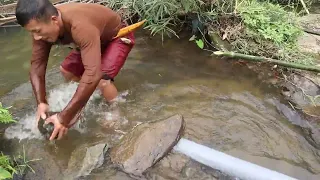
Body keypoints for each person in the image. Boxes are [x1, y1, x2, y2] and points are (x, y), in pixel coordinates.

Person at [15, 0, 135, 140]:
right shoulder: (42, 25)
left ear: (54, 20)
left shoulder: (80, 26)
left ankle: (115, 108)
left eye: (37, 31)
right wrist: (41, 102)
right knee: (67, 71)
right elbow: (37, 67)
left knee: (101, 80)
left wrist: (64, 117)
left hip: (117, 36)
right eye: (32, 32)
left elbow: (93, 74)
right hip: (91, 40)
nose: (36, 37)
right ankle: (89, 95)